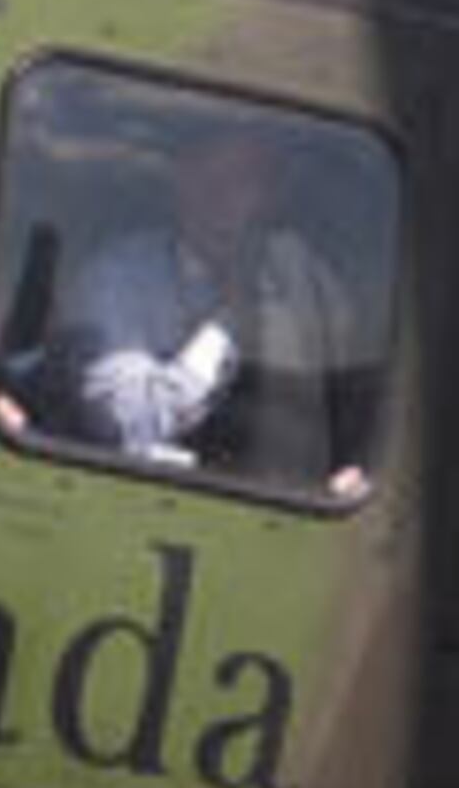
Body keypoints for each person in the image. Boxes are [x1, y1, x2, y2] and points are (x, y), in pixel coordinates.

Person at [53, 116, 374, 502]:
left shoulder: (302, 275)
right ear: (179, 179)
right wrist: (229, 321)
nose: (221, 197)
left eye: (243, 181)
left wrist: (355, 470)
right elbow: (130, 423)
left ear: (267, 198)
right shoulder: (120, 277)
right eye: (207, 174)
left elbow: (353, 395)